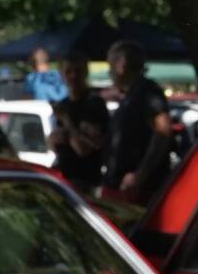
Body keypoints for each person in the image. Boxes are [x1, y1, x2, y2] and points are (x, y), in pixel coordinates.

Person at [101, 41, 174, 204]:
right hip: (121, 186)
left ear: (121, 65)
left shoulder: (147, 91)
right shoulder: (131, 95)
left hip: (138, 190)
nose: (109, 72)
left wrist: (140, 174)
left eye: (110, 66)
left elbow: (163, 130)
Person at [51, 57, 108, 194]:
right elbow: (56, 145)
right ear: (61, 75)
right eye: (68, 71)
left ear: (86, 73)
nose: (73, 76)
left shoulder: (94, 104)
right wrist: (53, 139)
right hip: (63, 178)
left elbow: (82, 149)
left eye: (78, 71)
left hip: (84, 181)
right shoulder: (63, 104)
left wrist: (67, 121)